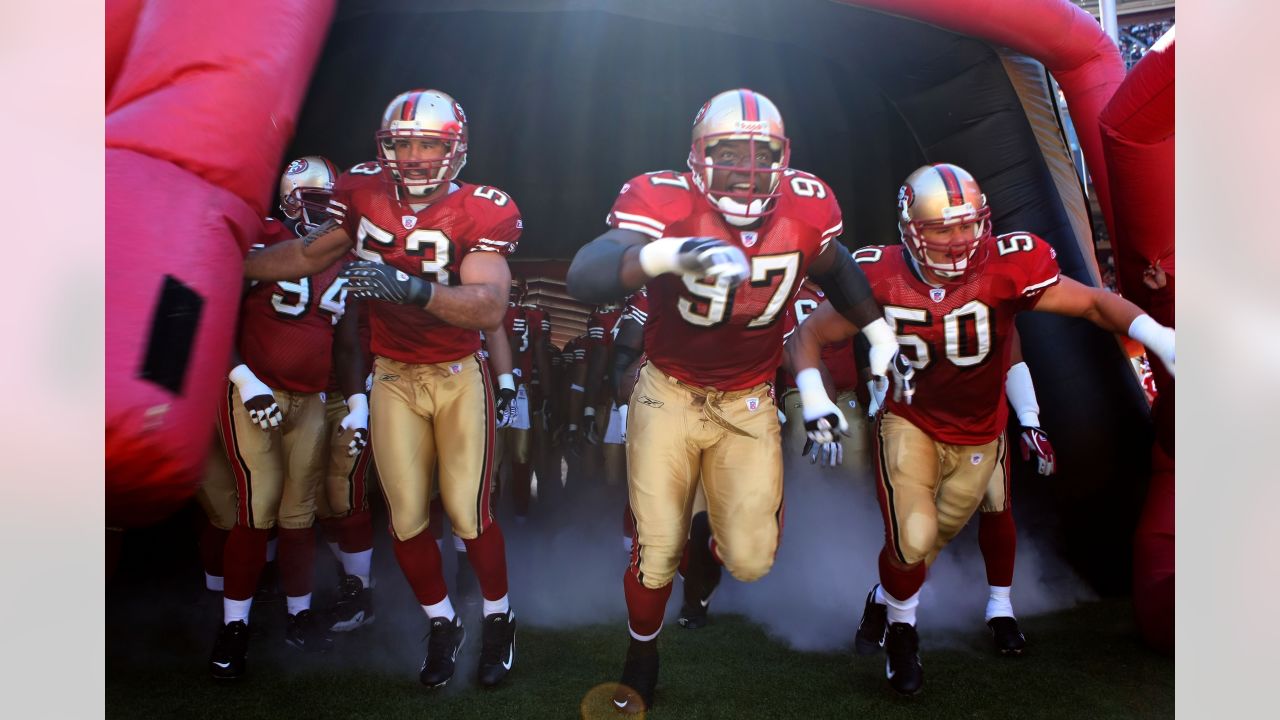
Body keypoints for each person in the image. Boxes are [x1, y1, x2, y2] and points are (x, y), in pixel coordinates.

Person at [566, 88, 899, 714]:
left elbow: (836, 266)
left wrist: (878, 333)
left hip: (747, 400)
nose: (747, 168)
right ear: (697, 157)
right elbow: (586, 274)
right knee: (658, 548)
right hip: (668, 391)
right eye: (729, 152)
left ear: (784, 157)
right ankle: (642, 656)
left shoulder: (806, 203)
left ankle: (720, 531)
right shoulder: (664, 199)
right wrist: (668, 253)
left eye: (761, 153)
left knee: (750, 559)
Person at [786, 162, 1176, 696]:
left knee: (925, 547)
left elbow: (1091, 301)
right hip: (910, 421)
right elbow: (806, 335)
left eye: (968, 225)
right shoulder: (880, 275)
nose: (958, 240)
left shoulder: (1006, 266)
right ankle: (902, 635)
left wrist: (1162, 338)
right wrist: (813, 397)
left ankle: (884, 600)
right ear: (911, 232)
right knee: (912, 537)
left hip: (979, 430)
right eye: (942, 228)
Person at [242, 89, 521, 689]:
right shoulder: (363, 193)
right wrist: (231, 261)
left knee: (470, 514)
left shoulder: (483, 207)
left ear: (456, 150)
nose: (416, 156)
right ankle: (442, 622)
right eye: (404, 143)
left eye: (429, 144)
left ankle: (499, 619)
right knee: (406, 518)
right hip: (393, 373)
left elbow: (489, 306)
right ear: (384, 148)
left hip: (454, 373)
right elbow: (306, 255)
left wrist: (411, 288)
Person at [210, 156, 368, 680]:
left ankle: (299, 617)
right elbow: (215, 315)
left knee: (299, 513)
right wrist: (244, 380)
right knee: (257, 506)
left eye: (323, 197)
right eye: (304, 195)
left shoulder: (344, 257)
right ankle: (234, 625)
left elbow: (346, 342)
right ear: (285, 198)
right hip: (256, 392)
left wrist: (358, 398)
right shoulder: (267, 238)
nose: (312, 207)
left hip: (313, 399)